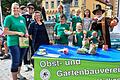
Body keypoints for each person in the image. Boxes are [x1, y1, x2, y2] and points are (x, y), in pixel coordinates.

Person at [3, 2, 28, 80]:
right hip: (13, 42)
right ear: (11, 9)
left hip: (23, 41)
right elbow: (5, 32)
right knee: (16, 61)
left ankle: (18, 74)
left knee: (20, 59)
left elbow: (25, 28)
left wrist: (26, 33)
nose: (15, 9)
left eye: (17, 8)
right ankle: (14, 78)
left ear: (19, 9)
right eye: (14, 8)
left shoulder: (22, 18)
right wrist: (17, 33)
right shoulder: (8, 18)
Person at [22, 2, 35, 71]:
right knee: (25, 50)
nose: (31, 9)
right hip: (26, 36)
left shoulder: (34, 16)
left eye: (32, 8)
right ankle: (25, 64)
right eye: (29, 8)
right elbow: (22, 26)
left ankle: (33, 63)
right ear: (27, 8)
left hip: (33, 37)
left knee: (33, 50)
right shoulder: (24, 16)